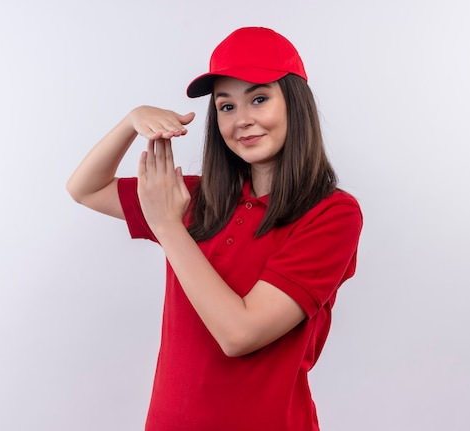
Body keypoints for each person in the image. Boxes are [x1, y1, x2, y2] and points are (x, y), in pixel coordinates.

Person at [67, 26, 362, 431]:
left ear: (295, 103)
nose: (242, 121)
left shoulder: (332, 214)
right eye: (226, 107)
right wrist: (130, 121)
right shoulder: (197, 198)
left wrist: (169, 227)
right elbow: (85, 189)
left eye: (259, 99)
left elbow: (239, 334)